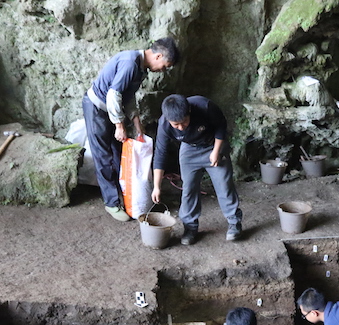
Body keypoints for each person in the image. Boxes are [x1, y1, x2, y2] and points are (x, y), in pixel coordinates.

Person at [83, 38, 180, 222]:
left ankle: (126, 194)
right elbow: (113, 95)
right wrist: (119, 125)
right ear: (158, 56)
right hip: (97, 107)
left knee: (119, 151)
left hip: (111, 109)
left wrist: (136, 122)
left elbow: (128, 96)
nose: (163, 71)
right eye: (165, 66)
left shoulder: (140, 67)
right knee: (103, 155)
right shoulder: (129, 63)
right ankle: (111, 203)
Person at [151, 94, 242, 244]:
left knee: (224, 185)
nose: (181, 127)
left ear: (190, 112)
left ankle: (234, 223)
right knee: (189, 188)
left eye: (184, 122)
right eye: (176, 125)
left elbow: (221, 126)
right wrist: (156, 186)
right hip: (190, 149)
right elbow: (160, 154)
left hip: (213, 144)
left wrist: (216, 151)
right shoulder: (164, 125)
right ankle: (190, 227)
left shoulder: (205, 106)